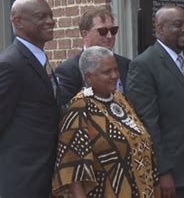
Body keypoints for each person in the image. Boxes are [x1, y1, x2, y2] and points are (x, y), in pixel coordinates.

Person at [126, 5, 184, 198]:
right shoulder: (144, 65)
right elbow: (148, 124)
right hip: (170, 173)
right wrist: (163, 172)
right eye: (178, 25)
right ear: (159, 29)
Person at [52, 46, 160, 197]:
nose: (115, 75)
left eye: (116, 69)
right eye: (107, 72)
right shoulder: (79, 108)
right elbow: (72, 169)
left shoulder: (120, 99)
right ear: (88, 77)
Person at [0, 0, 59, 197]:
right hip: (22, 180)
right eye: (41, 16)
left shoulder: (41, 60)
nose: (50, 21)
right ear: (18, 21)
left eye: (50, 16)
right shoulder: (10, 65)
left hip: (46, 177)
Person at [55, 7, 130, 108]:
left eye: (113, 30)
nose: (109, 36)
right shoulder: (69, 70)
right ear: (85, 34)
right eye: (103, 31)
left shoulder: (126, 64)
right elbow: (66, 111)